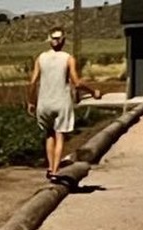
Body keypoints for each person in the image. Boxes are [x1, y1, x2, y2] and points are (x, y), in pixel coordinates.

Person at [28, 27, 102, 182]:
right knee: (60, 135)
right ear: (63, 40)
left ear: (49, 40)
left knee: (49, 134)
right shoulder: (68, 58)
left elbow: (33, 81)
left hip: (44, 102)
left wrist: (31, 101)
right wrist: (93, 91)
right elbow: (76, 82)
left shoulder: (41, 58)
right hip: (61, 102)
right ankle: (55, 170)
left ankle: (49, 168)